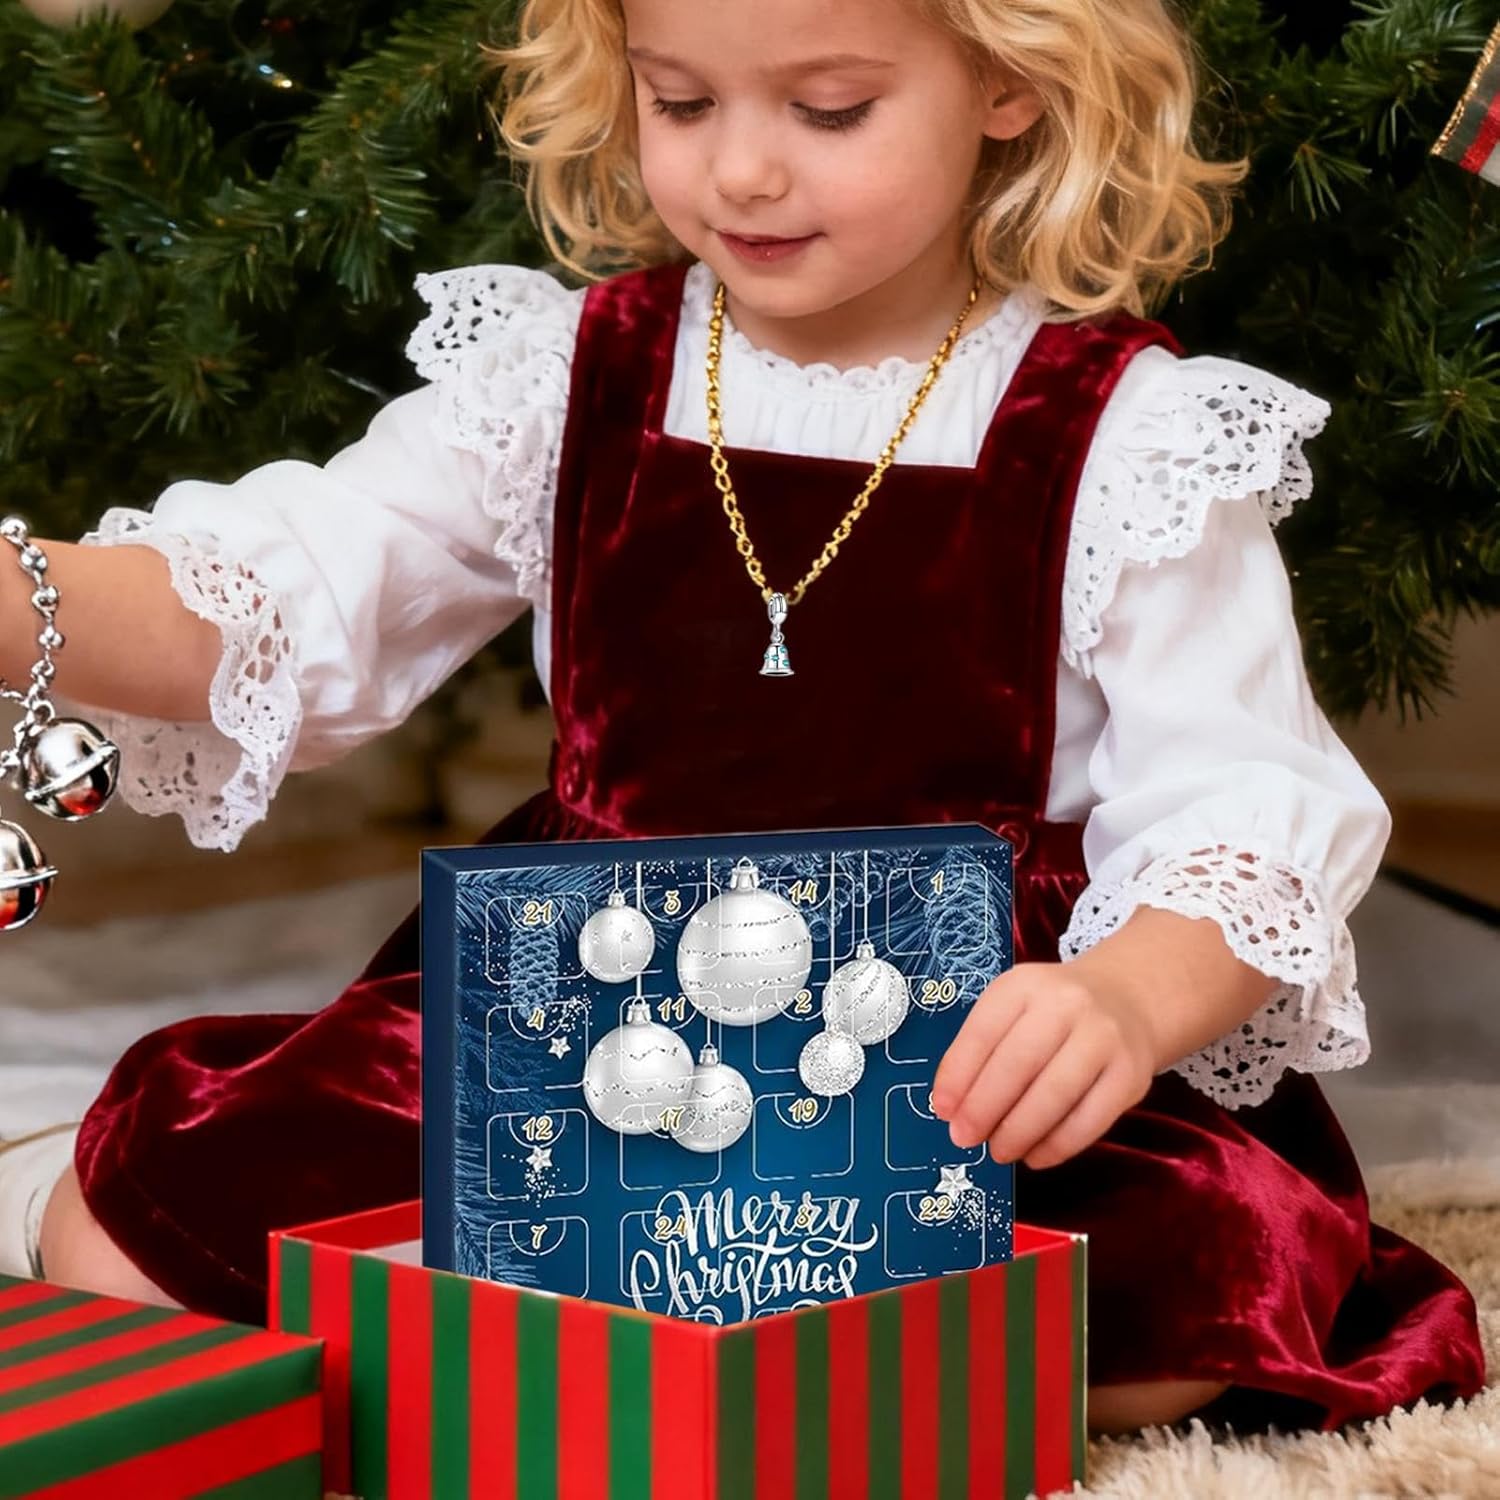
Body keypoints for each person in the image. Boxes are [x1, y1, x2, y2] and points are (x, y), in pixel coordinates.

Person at [0, 0, 1483, 1438]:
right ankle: (663, 1342)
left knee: (1172, 1305)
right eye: (682, 101)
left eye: (829, 111)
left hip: (948, 1058)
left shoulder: (1126, 435)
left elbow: (1245, 813)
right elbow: (280, 600)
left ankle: (637, 1353)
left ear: (1006, 79)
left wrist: (1123, 1002)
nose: (742, 171)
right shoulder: (562, 378)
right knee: (121, 1236)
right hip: (587, 1015)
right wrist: (24, 598)